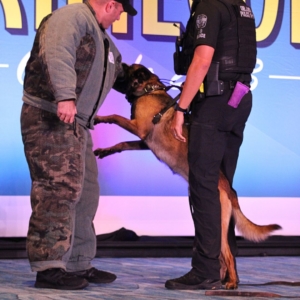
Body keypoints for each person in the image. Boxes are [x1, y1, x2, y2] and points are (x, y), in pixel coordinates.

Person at [20, 0, 137, 290]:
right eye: (123, 10)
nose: (122, 16)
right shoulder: (71, 18)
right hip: (51, 114)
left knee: (85, 191)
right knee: (56, 190)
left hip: (78, 123)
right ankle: (49, 267)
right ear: (111, 4)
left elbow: (118, 73)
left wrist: (149, 86)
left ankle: (78, 262)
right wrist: (64, 96)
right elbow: (57, 52)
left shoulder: (102, 37)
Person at [166, 0, 257, 290]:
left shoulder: (209, 6)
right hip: (240, 98)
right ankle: (223, 265)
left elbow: (202, 61)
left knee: (204, 186)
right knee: (223, 187)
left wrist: (181, 108)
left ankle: (205, 269)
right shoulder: (241, 6)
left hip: (216, 101)